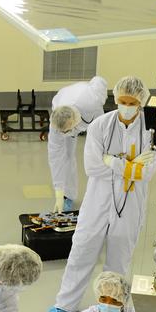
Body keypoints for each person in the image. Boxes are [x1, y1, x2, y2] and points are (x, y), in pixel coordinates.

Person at [47, 76, 156, 312]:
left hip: (130, 201)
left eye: (132, 102)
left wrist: (111, 160)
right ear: (116, 99)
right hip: (97, 199)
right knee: (82, 247)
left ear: (141, 102)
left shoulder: (152, 128)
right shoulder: (100, 125)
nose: (126, 105)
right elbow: (92, 168)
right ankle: (66, 303)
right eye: (122, 100)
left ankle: (109, 303)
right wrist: (128, 165)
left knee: (119, 256)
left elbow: (147, 173)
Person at [47, 76, 109, 211]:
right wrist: (58, 192)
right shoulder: (56, 122)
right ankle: (67, 196)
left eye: (68, 131)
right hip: (67, 99)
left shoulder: (92, 101)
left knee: (101, 155)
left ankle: (104, 195)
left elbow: (99, 80)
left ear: (75, 122)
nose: (65, 135)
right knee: (67, 155)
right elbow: (55, 158)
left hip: (92, 114)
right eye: (63, 132)